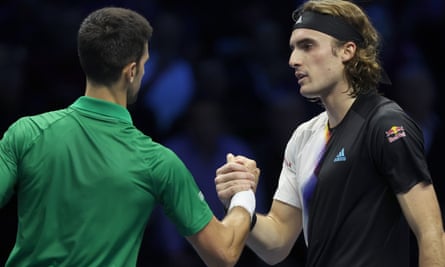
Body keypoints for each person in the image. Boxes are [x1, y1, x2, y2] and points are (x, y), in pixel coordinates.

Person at [0, 7, 259, 267]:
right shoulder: (157, 161)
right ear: (132, 71)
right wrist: (243, 194)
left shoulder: (25, 132)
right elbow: (224, 253)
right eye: (145, 63)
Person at [214, 0, 445, 266]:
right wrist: (241, 202)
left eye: (307, 46)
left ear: (347, 51)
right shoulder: (302, 137)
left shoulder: (385, 123)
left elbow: (431, 234)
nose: (293, 60)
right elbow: (276, 245)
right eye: (292, 49)